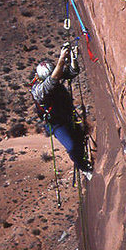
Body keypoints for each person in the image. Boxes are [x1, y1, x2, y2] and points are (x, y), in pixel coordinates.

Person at [31, 43, 92, 179]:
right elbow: (52, 80)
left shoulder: (52, 77)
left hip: (66, 114)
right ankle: (83, 167)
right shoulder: (39, 90)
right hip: (56, 123)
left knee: (79, 139)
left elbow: (72, 72)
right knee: (71, 146)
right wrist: (61, 59)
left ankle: (82, 159)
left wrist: (73, 59)